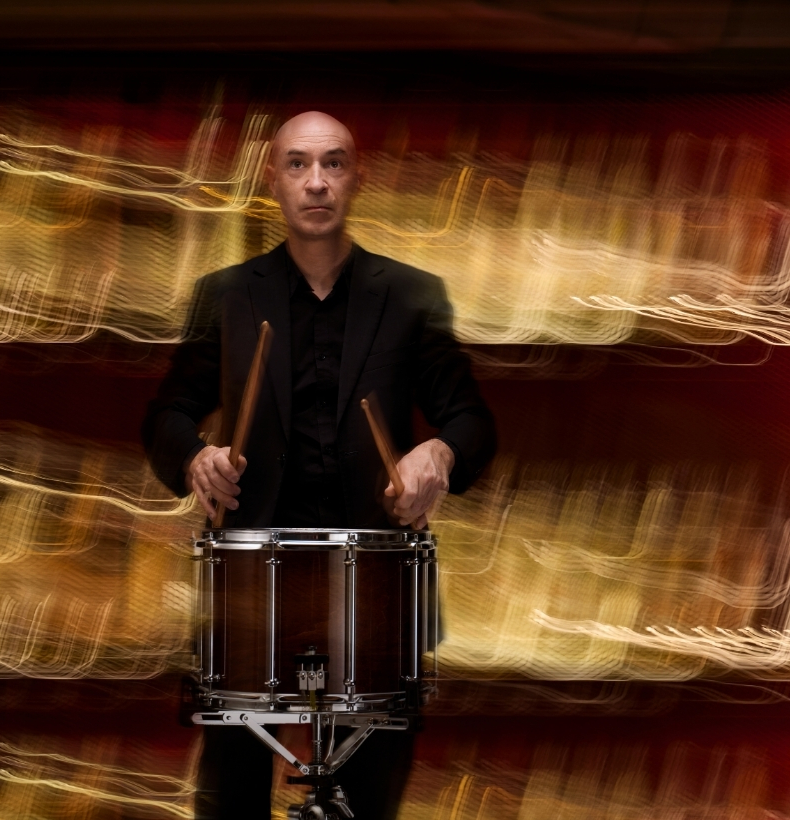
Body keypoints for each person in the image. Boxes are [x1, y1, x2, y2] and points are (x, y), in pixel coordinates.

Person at [144, 111, 496, 820]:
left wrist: (439, 452)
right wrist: (196, 456)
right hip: (251, 589)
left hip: (374, 592)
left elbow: (472, 422)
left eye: (333, 163)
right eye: (298, 164)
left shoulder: (411, 295)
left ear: (357, 178)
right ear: (272, 181)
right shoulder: (228, 295)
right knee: (232, 801)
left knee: (366, 804)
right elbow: (166, 417)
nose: (316, 182)